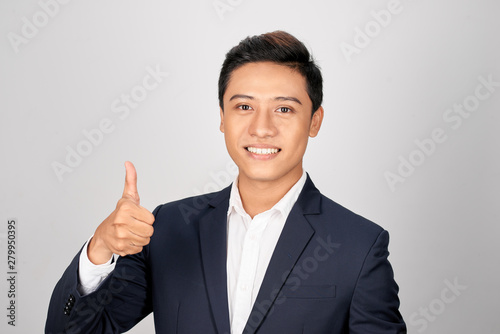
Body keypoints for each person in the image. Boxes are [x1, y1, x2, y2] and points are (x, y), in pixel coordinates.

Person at [45, 30, 406, 334]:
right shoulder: (169, 228)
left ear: (314, 121)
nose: (261, 128)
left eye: (284, 108)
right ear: (222, 118)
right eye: (244, 107)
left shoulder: (358, 246)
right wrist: (100, 248)